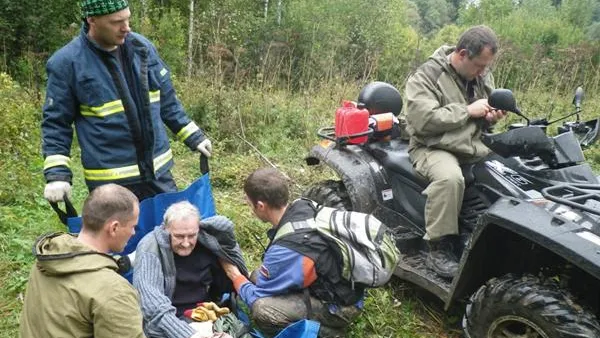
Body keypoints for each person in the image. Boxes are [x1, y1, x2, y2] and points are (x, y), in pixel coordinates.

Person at [42, 0, 212, 203]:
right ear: (92, 20)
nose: (126, 28)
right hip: (111, 183)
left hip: (158, 175)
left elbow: (166, 101)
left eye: (127, 18)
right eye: (116, 22)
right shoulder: (66, 63)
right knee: (122, 235)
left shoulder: (142, 48)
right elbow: (56, 123)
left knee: (170, 233)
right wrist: (57, 174)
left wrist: (194, 136)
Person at [404, 25, 507, 279]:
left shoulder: (481, 74)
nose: (483, 72)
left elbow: (484, 114)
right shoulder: (427, 75)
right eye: (479, 66)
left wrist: (492, 116)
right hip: (432, 145)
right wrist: (468, 110)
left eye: (487, 66)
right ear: (462, 54)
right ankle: (437, 246)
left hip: (472, 143)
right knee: (450, 178)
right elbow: (422, 119)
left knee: (508, 173)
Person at [220, 167, 363, 338]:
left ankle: (327, 333)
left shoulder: (286, 249)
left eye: (250, 205)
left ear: (260, 206)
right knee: (258, 276)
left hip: (340, 306)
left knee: (262, 309)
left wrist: (234, 274)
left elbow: (256, 296)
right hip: (344, 286)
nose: (251, 210)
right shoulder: (303, 205)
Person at [20, 184, 145, 337]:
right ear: (114, 228)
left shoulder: (48, 257)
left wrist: (120, 262)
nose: (133, 233)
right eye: (133, 226)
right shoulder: (115, 292)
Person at [133, 201, 248, 338]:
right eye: (179, 236)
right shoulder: (150, 249)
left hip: (206, 311)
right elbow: (153, 307)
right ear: (166, 229)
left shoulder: (207, 241)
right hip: (170, 322)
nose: (186, 243)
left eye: (192, 235)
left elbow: (234, 269)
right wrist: (190, 335)